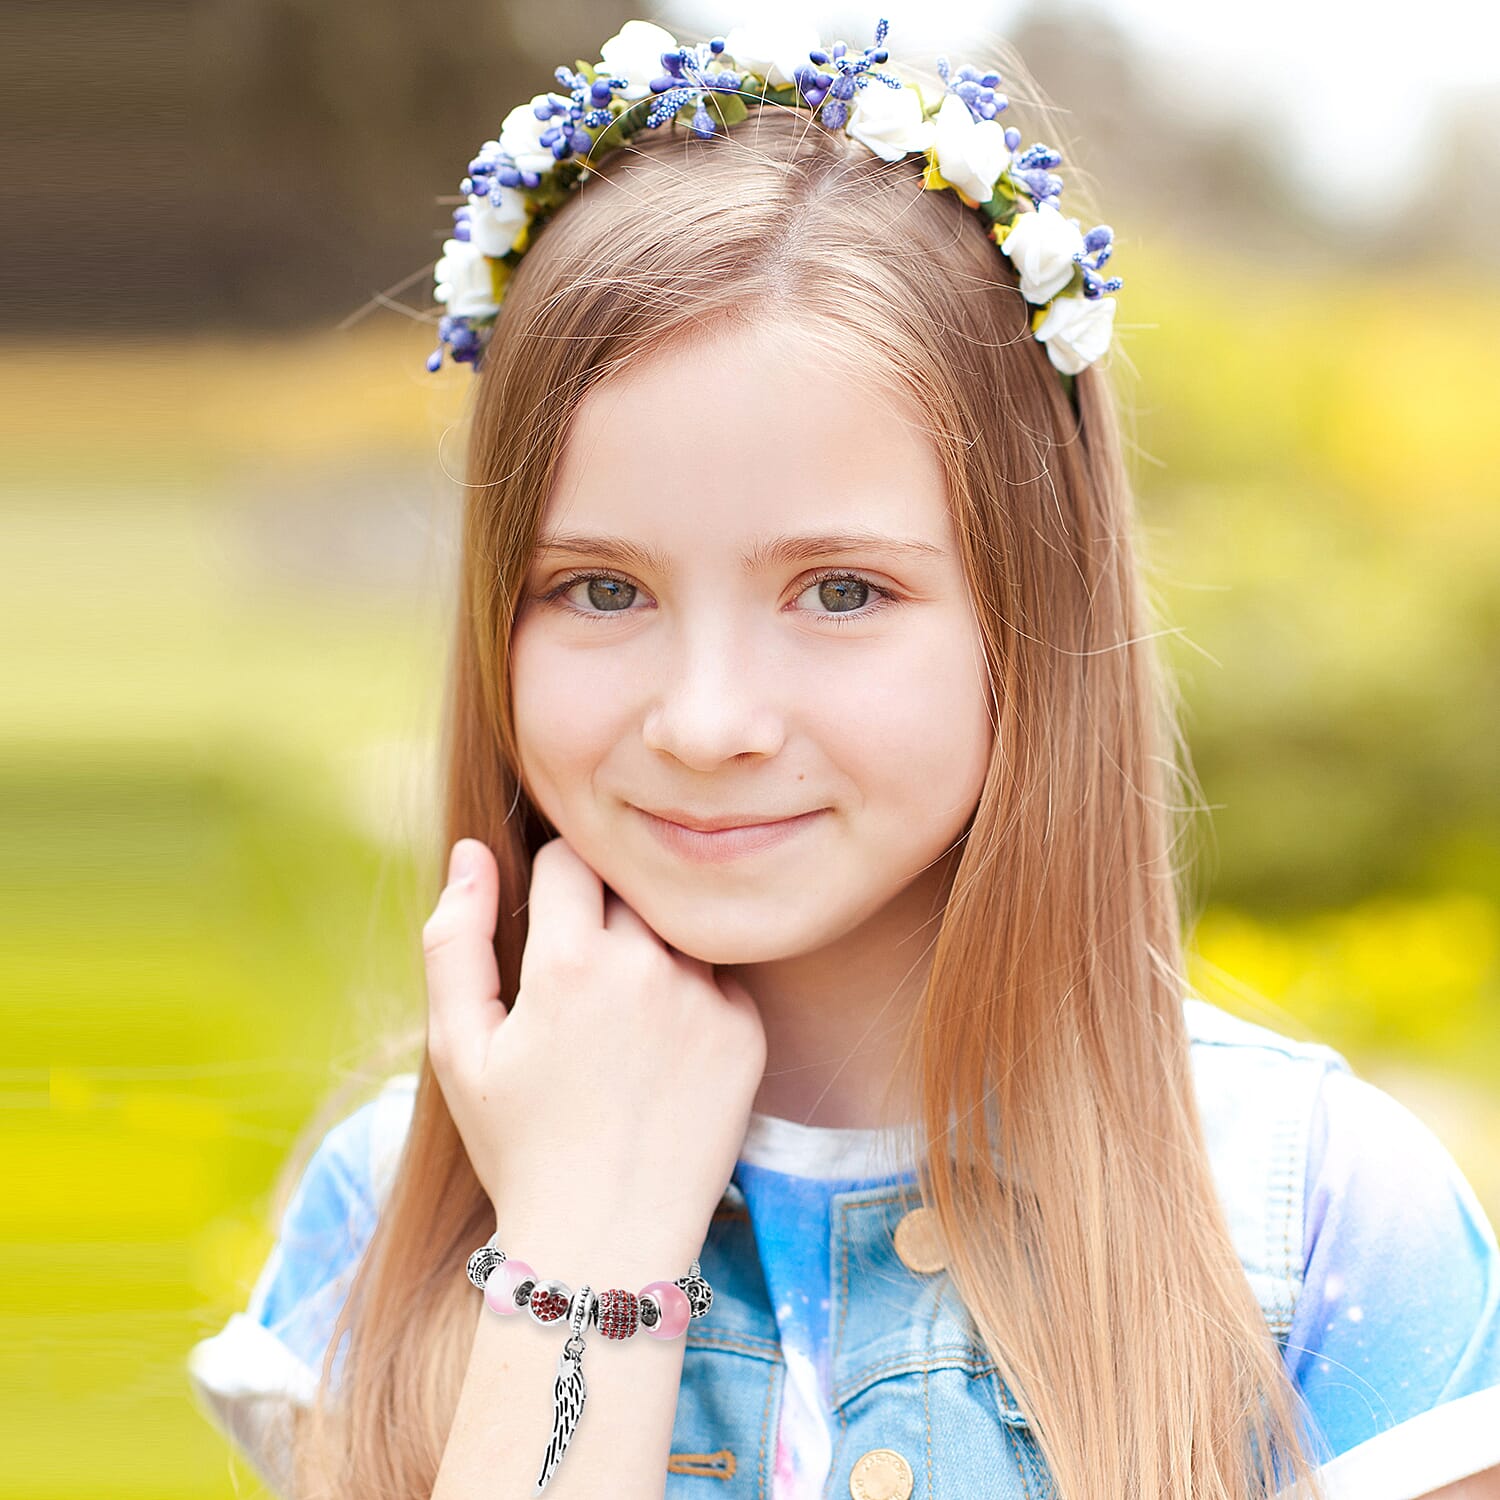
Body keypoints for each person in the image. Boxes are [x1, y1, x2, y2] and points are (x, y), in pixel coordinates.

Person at [187, 16, 1500, 1500]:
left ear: (1029, 606)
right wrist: (580, 1246)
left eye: (842, 593)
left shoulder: (1314, 1216)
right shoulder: (386, 1223)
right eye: (601, 590)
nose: (706, 720)